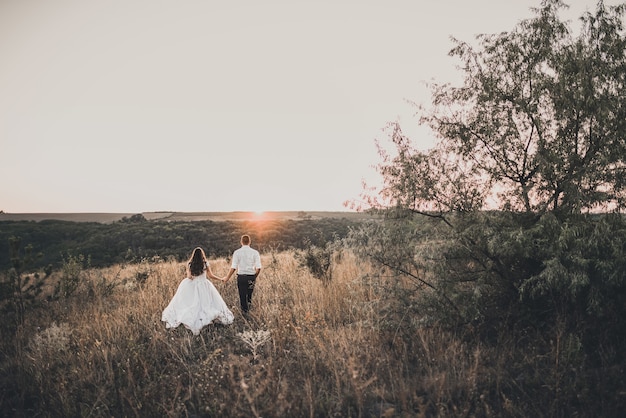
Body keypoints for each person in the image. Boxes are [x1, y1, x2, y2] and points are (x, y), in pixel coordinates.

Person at [162, 247, 234, 335]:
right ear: (202, 255)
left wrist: (194, 275)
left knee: (193, 303)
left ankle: (194, 320)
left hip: (193, 285)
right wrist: (220, 279)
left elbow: (189, 277)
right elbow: (210, 275)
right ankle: (208, 320)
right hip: (204, 285)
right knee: (206, 303)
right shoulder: (205, 263)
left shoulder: (190, 264)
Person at [224, 234, 262, 314]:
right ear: (249, 242)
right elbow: (258, 268)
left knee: (242, 296)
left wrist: (227, 277)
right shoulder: (255, 252)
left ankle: (244, 313)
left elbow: (233, 267)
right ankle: (248, 312)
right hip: (251, 277)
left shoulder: (237, 252)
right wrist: (254, 277)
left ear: (241, 242)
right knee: (249, 296)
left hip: (241, 277)